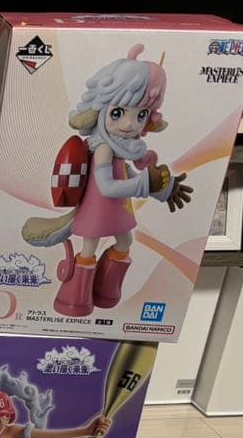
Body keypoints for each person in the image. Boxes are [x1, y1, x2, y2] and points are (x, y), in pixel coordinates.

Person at [22, 45, 191, 316]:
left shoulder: (120, 149)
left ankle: (105, 293)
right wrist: (146, 184)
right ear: (100, 110)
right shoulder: (103, 148)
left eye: (141, 115)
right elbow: (107, 186)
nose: (130, 124)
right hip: (97, 209)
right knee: (89, 248)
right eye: (118, 113)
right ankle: (74, 300)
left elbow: (128, 176)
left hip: (117, 210)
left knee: (124, 243)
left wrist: (162, 189)